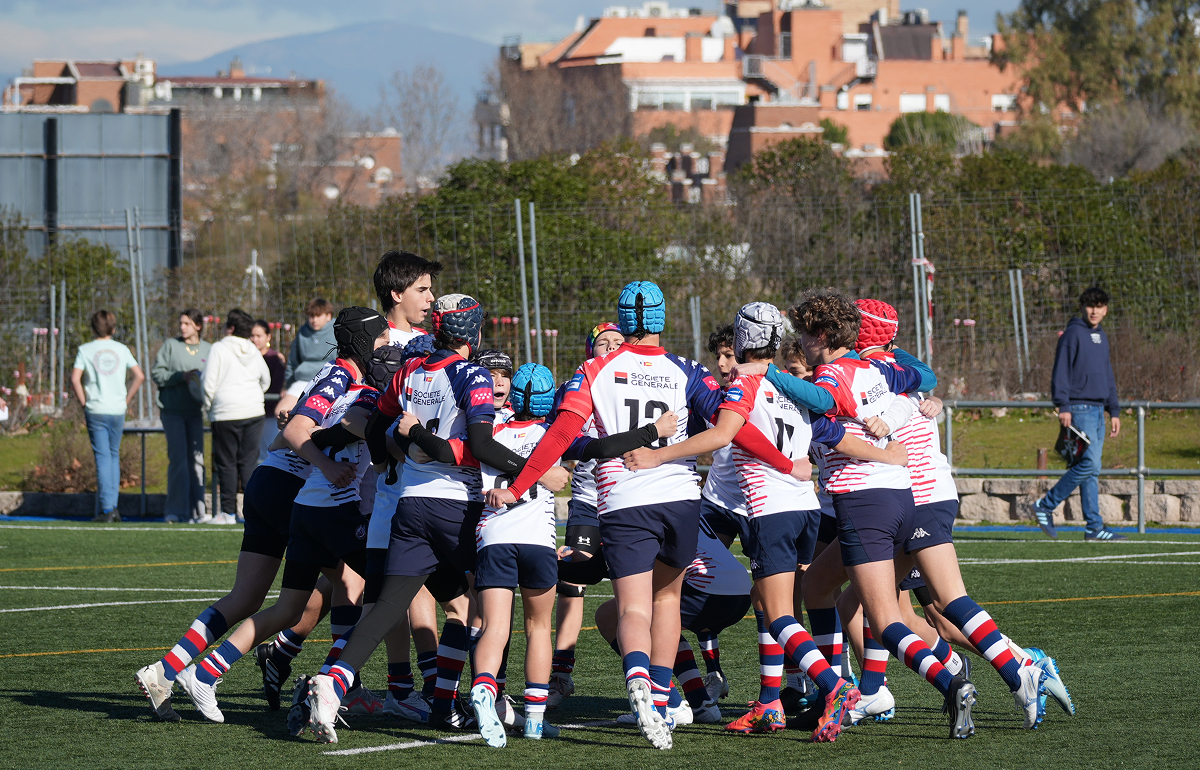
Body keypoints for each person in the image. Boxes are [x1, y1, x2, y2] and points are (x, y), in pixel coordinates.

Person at [486, 282, 785, 751]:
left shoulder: (595, 367)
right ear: (662, 319)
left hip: (625, 499)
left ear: (622, 322)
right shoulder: (686, 369)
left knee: (632, 606)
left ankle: (640, 681)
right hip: (682, 499)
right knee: (668, 600)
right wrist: (785, 463)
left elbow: (562, 433)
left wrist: (519, 487)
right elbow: (733, 428)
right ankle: (662, 702)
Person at [169, 310, 397, 723]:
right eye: (384, 344)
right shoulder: (354, 388)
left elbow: (291, 433)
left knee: (290, 607)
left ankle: (203, 673)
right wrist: (340, 453)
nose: (389, 354)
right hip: (332, 508)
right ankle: (334, 683)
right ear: (366, 345)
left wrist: (333, 436)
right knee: (382, 591)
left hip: (306, 509)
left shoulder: (352, 386)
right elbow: (291, 436)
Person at [470, 363, 569, 745]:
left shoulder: (489, 433)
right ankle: (534, 720)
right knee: (539, 629)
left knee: (495, 627)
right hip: (537, 539)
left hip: (494, 534)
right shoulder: (553, 434)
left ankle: (483, 688)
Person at [548, 322, 625, 710]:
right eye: (602, 343)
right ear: (588, 350)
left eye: (618, 342)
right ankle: (561, 671)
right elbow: (551, 433)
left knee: (640, 589)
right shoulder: (576, 386)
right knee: (571, 574)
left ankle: (679, 676)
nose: (610, 347)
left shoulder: (639, 383)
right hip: (588, 500)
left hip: (629, 502)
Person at [1032, 287, 1125, 541]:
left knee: (1091, 470)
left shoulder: (1101, 336)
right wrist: (1064, 405)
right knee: (1089, 464)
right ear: (1083, 307)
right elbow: (1060, 371)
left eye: (1100, 306)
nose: (1095, 310)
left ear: (1106, 309)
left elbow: (1108, 375)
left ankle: (1094, 527)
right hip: (1079, 409)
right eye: (1090, 305)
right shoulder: (1073, 334)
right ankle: (1046, 505)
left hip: (1098, 411)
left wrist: (1113, 409)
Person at [71, 310, 144, 523]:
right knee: (113, 456)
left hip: (96, 409)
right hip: (117, 409)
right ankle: (114, 507)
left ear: (93, 328)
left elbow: (76, 379)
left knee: (103, 458)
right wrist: (126, 399)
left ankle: (106, 508)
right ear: (113, 328)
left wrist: (84, 401)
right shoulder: (121, 349)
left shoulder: (85, 350)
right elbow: (139, 376)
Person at [202, 309, 271, 525]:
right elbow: (265, 379)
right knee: (249, 462)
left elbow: (208, 383)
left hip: (225, 413)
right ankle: (252, 513)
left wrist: (208, 407)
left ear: (230, 328)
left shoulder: (219, 348)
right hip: (253, 411)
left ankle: (228, 513)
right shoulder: (252, 348)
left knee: (227, 463)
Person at [152, 309, 211, 523]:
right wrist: (181, 376)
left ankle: (199, 511)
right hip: (173, 412)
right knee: (178, 461)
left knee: (197, 461)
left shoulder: (209, 349)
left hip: (195, 413)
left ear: (198, 325)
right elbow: (157, 374)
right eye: (181, 323)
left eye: (186, 323)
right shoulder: (170, 346)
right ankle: (176, 511)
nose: (182, 327)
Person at [276, 298, 337, 419]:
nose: (314, 320)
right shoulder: (302, 332)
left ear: (328, 316)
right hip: (303, 381)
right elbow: (293, 361)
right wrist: (287, 385)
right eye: (311, 316)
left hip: (329, 380)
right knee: (281, 412)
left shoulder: (337, 330)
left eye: (318, 316)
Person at [254, 320, 286, 465]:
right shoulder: (247, 357)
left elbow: (277, 385)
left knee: (266, 452)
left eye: (259, 335)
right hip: (251, 413)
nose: (255, 339)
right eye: (252, 335)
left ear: (268, 336)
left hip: (269, 414)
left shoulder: (275, 359)